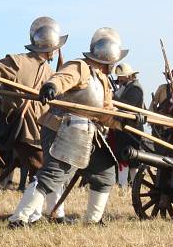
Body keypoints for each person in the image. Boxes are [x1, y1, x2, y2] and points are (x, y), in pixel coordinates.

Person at [9, 27, 137, 227]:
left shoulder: (102, 80)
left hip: (87, 131)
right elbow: (62, 78)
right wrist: (51, 87)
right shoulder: (81, 67)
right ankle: (19, 218)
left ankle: (92, 221)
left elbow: (105, 114)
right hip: (63, 127)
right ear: (109, 59)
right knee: (52, 174)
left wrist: (125, 122)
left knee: (104, 171)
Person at [0, 16, 71, 223]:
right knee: (44, 171)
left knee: (45, 171)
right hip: (24, 128)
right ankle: (34, 216)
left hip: (40, 128)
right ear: (50, 47)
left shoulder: (50, 72)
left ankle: (45, 213)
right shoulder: (17, 62)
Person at [110, 61, 145, 188]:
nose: (119, 79)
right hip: (123, 128)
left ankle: (134, 187)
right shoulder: (125, 88)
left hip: (133, 129)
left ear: (128, 76)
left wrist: (112, 97)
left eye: (121, 76)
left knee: (133, 160)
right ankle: (123, 186)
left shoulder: (135, 88)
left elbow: (128, 106)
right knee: (122, 158)